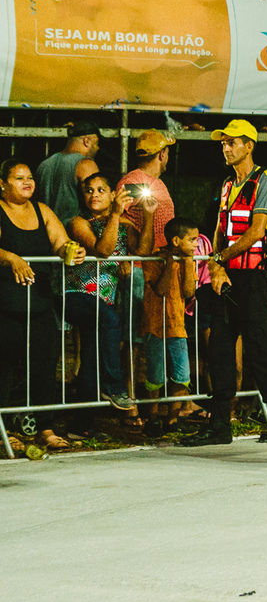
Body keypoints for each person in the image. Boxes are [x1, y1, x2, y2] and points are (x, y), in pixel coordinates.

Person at [180, 120, 267, 446]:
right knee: (219, 351)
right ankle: (220, 425)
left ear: (249, 145)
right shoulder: (226, 184)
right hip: (227, 277)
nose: (226, 148)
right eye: (223, 143)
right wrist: (217, 266)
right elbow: (220, 230)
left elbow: (257, 231)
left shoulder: (266, 179)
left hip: (252, 279)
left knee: (261, 350)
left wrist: (219, 259)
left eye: (232, 143)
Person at [0, 160, 85, 453]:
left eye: (30, 177)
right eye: (19, 178)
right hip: (5, 304)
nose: (27, 182)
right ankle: (5, 431)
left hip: (38, 301)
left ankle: (44, 427)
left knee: (44, 366)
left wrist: (72, 250)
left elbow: (61, 243)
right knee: (4, 368)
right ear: (2, 184)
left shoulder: (42, 211)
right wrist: (11, 257)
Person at [63, 175, 148, 434]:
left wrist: (149, 216)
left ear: (113, 194)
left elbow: (142, 251)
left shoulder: (124, 223)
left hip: (104, 299)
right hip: (76, 293)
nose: (94, 194)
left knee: (91, 354)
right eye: (89, 190)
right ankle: (113, 386)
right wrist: (115, 215)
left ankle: (82, 423)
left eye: (101, 189)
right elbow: (103, 250)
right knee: (111, 320)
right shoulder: (78, 222)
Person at [140, 215, 198, 437]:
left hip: (177, 326)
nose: (195, 244)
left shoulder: (187, 261)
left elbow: (188, 292)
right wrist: (171, 264)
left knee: (182, 374)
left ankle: (172, 418)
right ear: (176, 241)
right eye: (191, 240)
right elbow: (161, 289)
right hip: (155, 325)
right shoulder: (156, 260)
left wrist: (188, 263)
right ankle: (153, 417)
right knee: (155, 375)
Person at [37, 120, 101, 226]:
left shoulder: (44, 165)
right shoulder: (86, 165)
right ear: (87, 141)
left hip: (47, 233)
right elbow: (98, 205)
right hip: (73, 234)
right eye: (96, 143)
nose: (98, 148)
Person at [118, 129, 177, 243]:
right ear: (162, 155)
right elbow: (115, 217)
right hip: (141, 259)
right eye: (167, 154)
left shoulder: (159, 183)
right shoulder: (131, 181)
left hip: (160, 257)